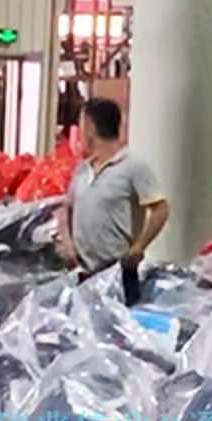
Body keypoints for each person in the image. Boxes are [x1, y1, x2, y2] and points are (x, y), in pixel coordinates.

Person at [56, 96, 169, 304]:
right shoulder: (83, 169)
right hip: (82, 275)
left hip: (117, 274)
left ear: (90, 128)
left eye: (81, 124)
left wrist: (138, 248)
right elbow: (66, 209)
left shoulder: (133, 166)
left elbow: (160, 209)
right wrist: (68, 245)